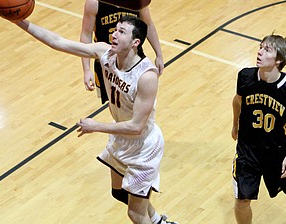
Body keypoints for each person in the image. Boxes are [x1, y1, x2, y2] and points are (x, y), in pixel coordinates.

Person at [11, 16, 176, 224]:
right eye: (115, 30)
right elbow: (59, 42)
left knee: (135, 213)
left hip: (143, 147)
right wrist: (20, 22)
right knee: (120, 194)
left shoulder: (146, 76)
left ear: (136, 42)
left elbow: (136, 126)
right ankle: (159, 223)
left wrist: (95, 126)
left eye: (122, 32)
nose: (114, 34)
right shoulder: (104, 52)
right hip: (120, 138)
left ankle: (155, 221)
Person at [231, 34, 286, 224]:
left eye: (267, 50)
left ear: (279, 60)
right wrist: (235, 124)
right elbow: (238, 100)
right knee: (242, 200)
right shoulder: (246, 76)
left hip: (278, 152)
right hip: (247, 149)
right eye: (260, 47)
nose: (259, 52)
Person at [80, 0, 164, 104]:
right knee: (115, 105)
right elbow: (86, 35)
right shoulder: (94, 1)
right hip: (107, 63)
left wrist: (159, 54)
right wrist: (86, 69)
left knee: (138, 105)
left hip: (133, 61)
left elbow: (148, 25)